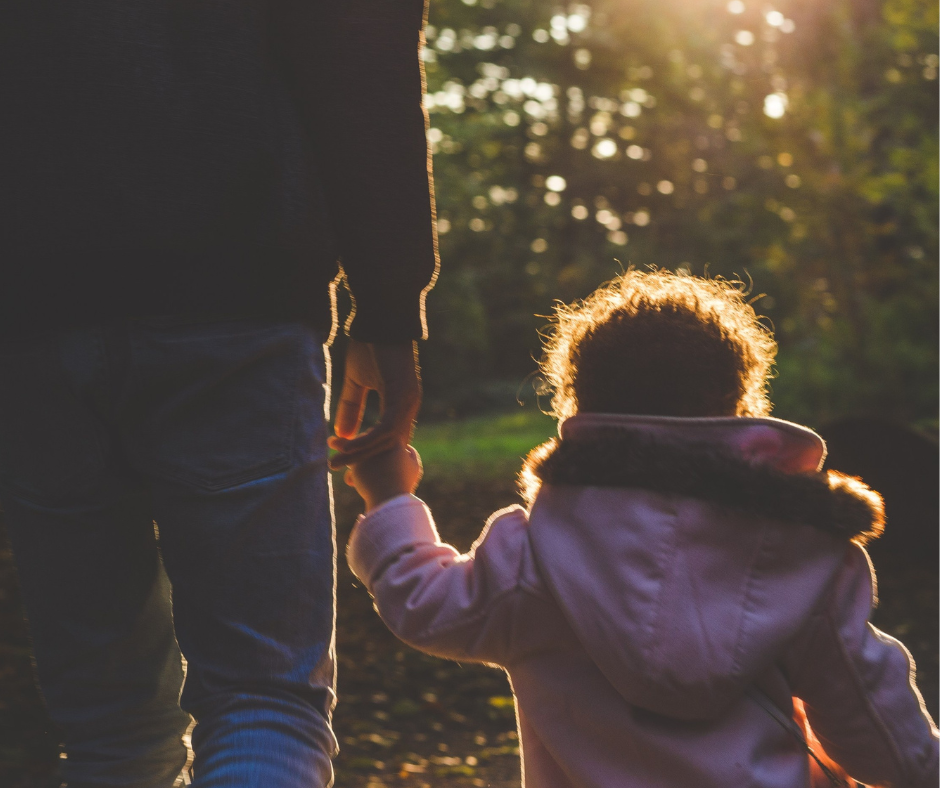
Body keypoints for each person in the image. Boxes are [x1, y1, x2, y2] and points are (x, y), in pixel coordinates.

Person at [0, 0, 437, 785]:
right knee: (264, 700)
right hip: (237, 298)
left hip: (30, 321)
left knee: (107, 728)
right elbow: (359, 45)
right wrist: (389, 300)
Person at [344, 269, 939, 788]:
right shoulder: (798, 551)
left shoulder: (534, 557)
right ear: (739, 405)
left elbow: (428, 604)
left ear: (576, 406)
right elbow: (866, 706)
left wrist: (391, 497)